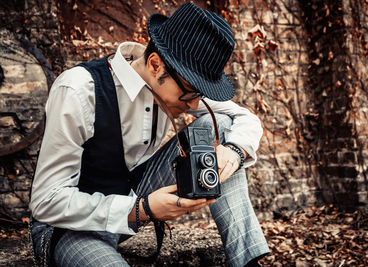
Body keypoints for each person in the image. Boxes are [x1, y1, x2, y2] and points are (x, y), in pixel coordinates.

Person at [29, 2, 269, 267]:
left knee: (223, 125)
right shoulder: (78, 90)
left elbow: (245, 118)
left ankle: (248, 262)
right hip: (69, 227)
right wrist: (143, 209)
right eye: (190, 94)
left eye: (199, 95)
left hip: (132, 196)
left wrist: (233, 153)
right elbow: (46, 201)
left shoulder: (174, 84)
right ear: (155, 65)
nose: (193, 105)